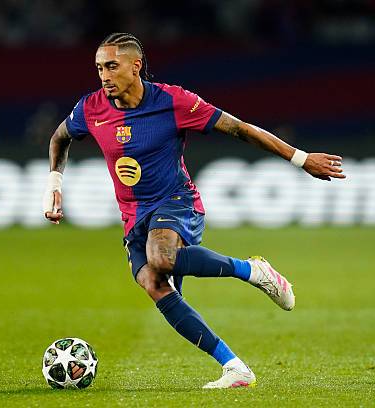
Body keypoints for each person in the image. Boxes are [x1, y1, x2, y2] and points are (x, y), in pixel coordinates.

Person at [42, 33, 345, 389]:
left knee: (161, 257)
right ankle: (235, 368)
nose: (104, 76)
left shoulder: (173, 101)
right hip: (133, 216)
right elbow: (60, 138)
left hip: (177, 201)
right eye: (99, 68)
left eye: (112, 66)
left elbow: (239, 128)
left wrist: (300, 158)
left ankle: (253, 271)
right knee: (154, 284)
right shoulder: (91, 108)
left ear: (135, 66)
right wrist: (54, 184)